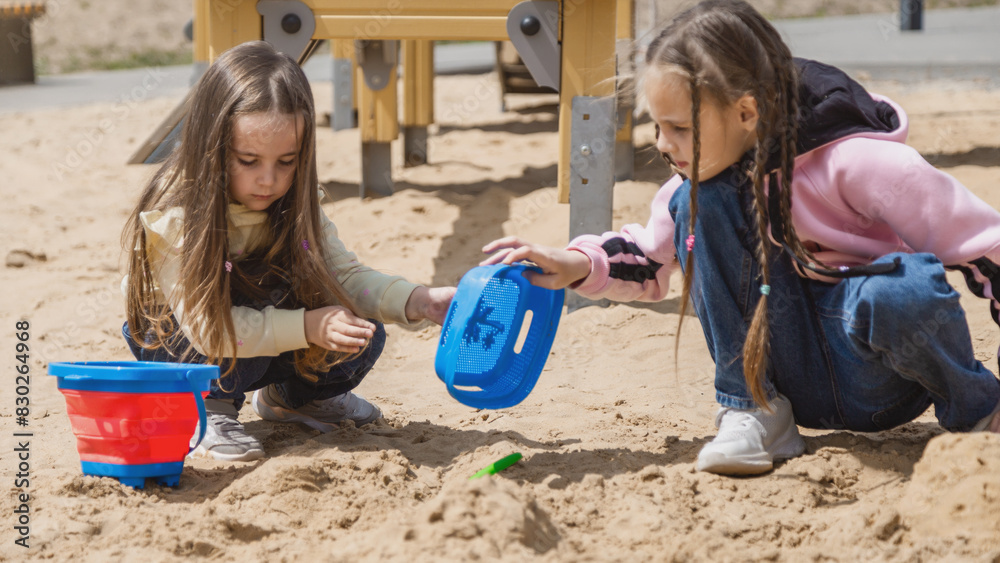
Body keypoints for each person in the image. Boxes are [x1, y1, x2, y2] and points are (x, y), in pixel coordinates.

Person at [483, 0, 1000, 475]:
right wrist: (576, 264)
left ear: (746, 113)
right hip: (782, 370)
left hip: (879, 371)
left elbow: (983, 248)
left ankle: (980, 414)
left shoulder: (858, 161)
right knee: (700, 200)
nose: (664, 145)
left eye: (680, 128)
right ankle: (754, 413)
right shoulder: (699, 182)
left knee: (903, 290)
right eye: (656, 127)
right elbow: (649, 257)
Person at [121, 41, 455, 462]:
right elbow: (208, 329)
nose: (268, 180)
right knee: (240, 324)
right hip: (183, 342)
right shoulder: (182, 217)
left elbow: (345, 277)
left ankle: (294, 398)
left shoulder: (296, 203)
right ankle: (206, 408)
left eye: (286, 161)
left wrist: (418, 300)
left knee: (359, 325)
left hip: (261, 330)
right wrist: (309, 327)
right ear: (213, 146)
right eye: (248, 160)